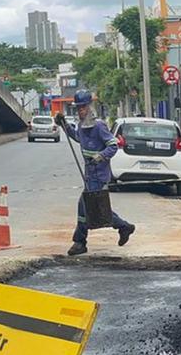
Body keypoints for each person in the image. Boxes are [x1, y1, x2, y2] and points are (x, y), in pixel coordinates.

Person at [58, 89, 135, 255]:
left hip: (99, 176)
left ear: (89, 107)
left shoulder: (99, 126)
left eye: (83, 107)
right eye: (78, 108)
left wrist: (100, 157)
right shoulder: (82, 126)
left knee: (94, 209)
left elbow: (113, 146)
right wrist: (64, 125)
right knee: (89, 208)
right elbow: (78, 137)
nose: (80, 110)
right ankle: (120, 228)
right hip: (89, 175)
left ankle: (81, 241)